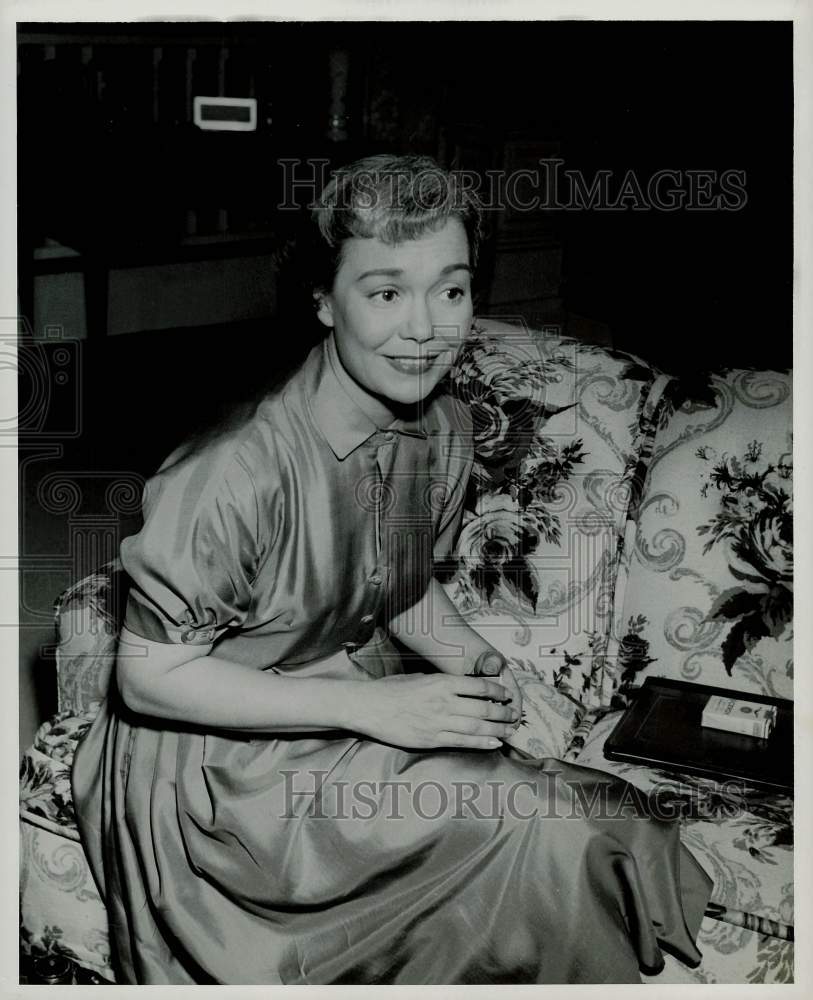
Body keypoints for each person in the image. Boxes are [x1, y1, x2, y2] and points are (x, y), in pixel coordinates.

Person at [72, 154, 712, 985]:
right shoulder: (235, 467)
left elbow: (402, 585)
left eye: (450, 290)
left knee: (610, 814)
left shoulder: (442, 427)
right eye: (384, 293)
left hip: (338, 704)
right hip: (218, 772)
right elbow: (150, 680)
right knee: (553, 834)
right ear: (321, 302)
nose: (425, 328)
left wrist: (492, 671)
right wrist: (376, 707)